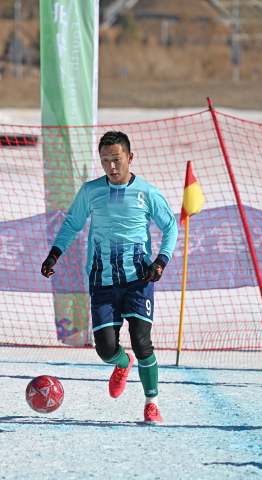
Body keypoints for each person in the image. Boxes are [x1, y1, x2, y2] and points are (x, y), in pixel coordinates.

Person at [41, 131, 178, 423]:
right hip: (102, 280)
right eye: (105, 161)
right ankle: (121, 362)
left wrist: (161, 261)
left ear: (130, 157)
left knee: (142, 341)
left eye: (116, 160)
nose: (111, 167)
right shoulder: (91, 191)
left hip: (139, 279)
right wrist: (54, 254)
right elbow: (72, 224)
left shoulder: (148, 193)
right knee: (104, 349)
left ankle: (151, 402)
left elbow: (171, 228)